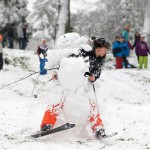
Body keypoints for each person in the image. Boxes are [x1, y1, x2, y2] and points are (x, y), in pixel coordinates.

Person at [40, 37, 111, 139]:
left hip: (82, 86)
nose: (100, 53)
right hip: (67, 83)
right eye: (99, 50)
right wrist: (57, 73)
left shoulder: (98, 61)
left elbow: (96, 72)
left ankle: (98, 128)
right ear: (94, 48)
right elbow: (65, 63)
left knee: (92, 104)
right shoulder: (82, 52)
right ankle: (46, 124)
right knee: (56, 100)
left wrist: (93, 77)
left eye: (103, 52)